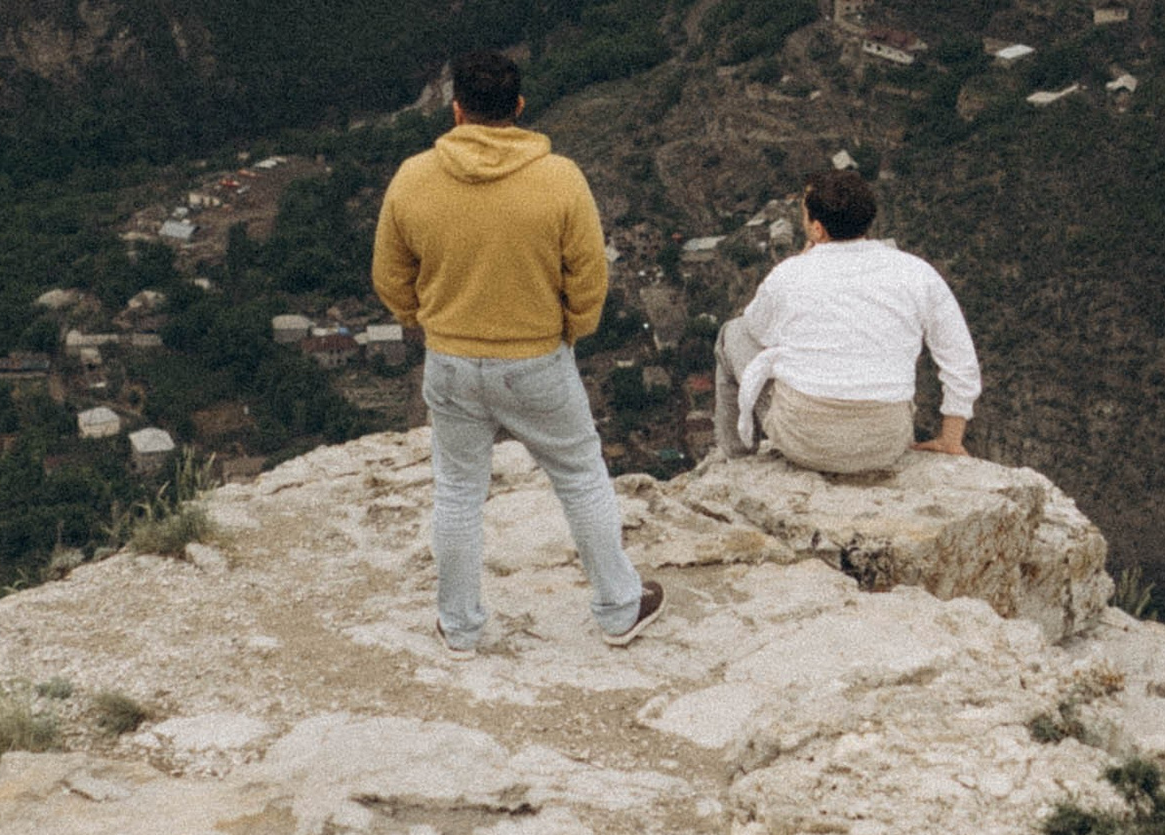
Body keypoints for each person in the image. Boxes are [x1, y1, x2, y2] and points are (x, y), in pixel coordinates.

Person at [370, 49, 662, 656]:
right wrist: (570, 331)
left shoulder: (413, 177)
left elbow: (389, 276)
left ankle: (460, 627)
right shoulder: (559, 179)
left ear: (456, 110)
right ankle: (617, 609)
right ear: (520, 108)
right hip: (536, 358)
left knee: (456, 491)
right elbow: (588, 277)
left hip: (450, 359)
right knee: (580, 477)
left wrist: (426, 323)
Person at [712, 167, 980, 480]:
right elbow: (960, 359)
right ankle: (945, 438)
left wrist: (802, 263)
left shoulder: (789, 275)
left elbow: (756, 330)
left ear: (816, 228)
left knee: (732, 332)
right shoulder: (916, 272)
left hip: (805, 442)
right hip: (886, 444)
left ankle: (738, 459)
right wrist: (950, 438)